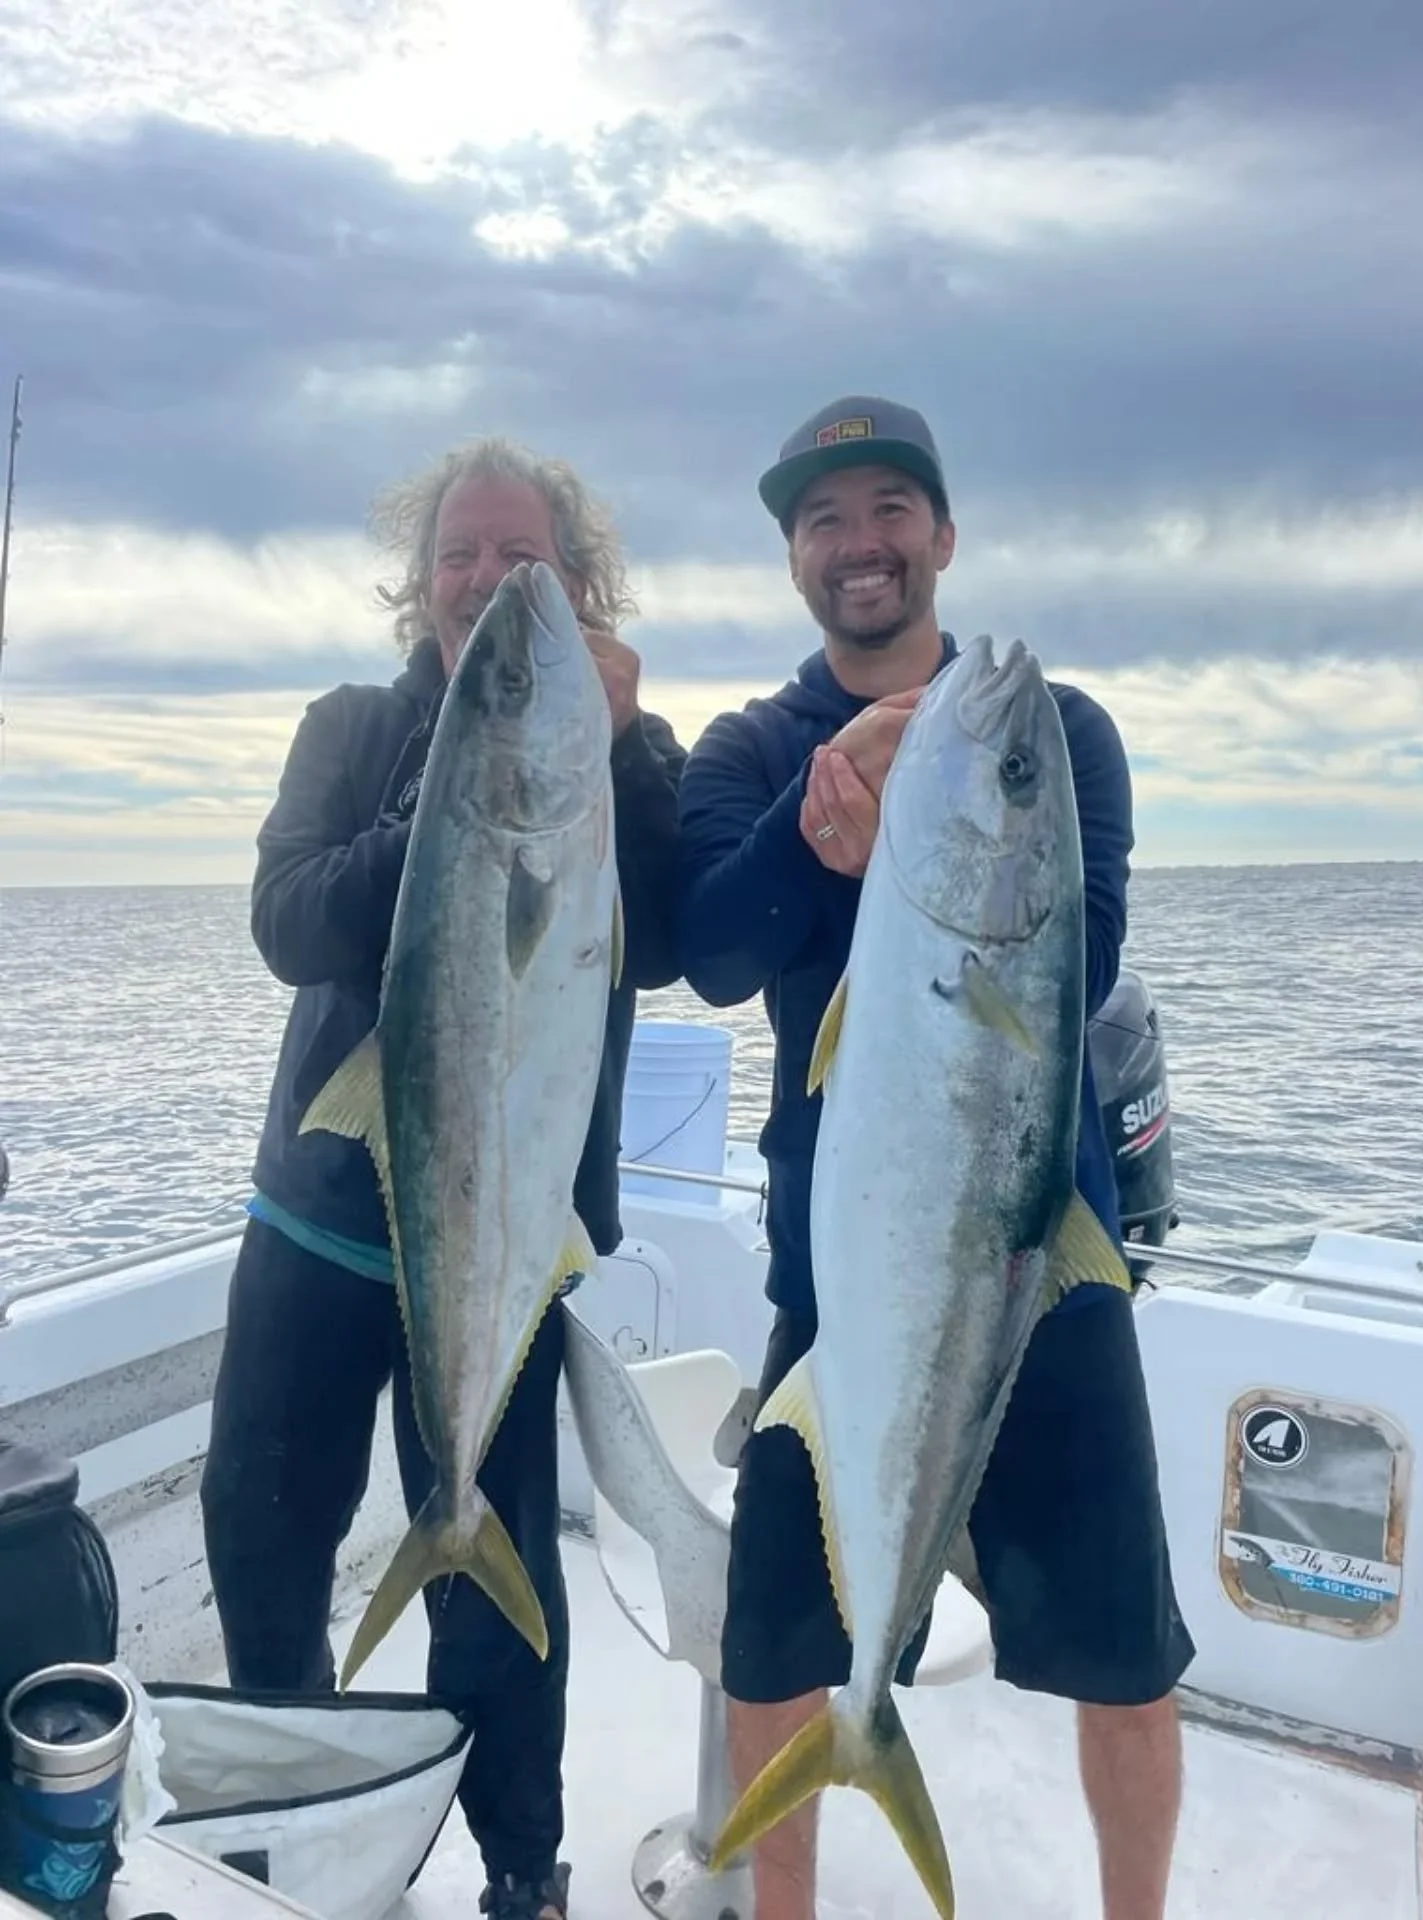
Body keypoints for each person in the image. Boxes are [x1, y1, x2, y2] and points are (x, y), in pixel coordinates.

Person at [674, 395, 1195, 1920]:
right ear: (794, 558)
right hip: (841, 1291)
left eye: (891, 508)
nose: (861, 542)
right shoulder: (753, 747)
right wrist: (810, 822)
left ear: (944, 537)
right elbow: (711, 953)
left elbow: (1082, 951)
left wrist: (933, 809)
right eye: (824, 519)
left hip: (1043, 1266)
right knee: (774, 1652)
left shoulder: (1053, 732)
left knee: (1125, 1659)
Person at [200, 436, 688, 1920]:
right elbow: (288, 919)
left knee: (496, 1592)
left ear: (577, 584)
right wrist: (459, 801)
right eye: (458, 554)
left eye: (518, 555)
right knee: (264, 1542)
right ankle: (289, 1841)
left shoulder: (624, 750)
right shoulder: (351, 728)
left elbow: (671, 940)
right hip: (314, 1230)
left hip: (509, 1246)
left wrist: (611, 752)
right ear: (418, 586)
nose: (484, 577)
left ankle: (521, 1871)